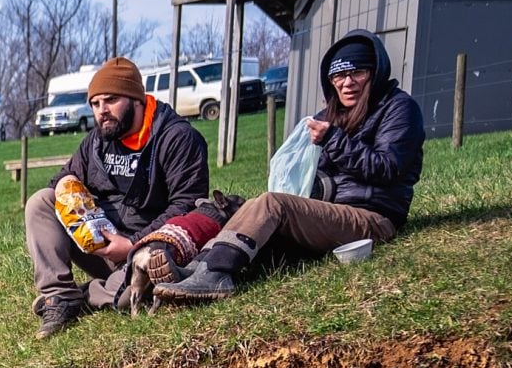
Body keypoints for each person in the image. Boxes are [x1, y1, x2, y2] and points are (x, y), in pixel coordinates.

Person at [155, 30, 424, 305]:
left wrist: (333, 140)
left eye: (357, 73)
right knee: (243, 205)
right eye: (338, 76)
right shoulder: (333, 115)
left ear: (376, 71)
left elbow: (388, 167)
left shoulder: (399, 108)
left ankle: (216, 273)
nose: (347, 83)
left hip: (372, 218)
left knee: (273, 204)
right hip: (330, 211)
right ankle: (199, 267)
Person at [22, 57, 210, 337]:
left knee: (129, 297)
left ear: (136, 99)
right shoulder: (98, 139)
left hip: (148, 251)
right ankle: (58, 296)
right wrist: (68, 184)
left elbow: (188, 205)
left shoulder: (178, 138)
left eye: (110, 100)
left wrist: (133, 243)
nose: (102, 111)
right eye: (95, 104)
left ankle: (84, 296)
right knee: (42, 201)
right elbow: (61, 179)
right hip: (100, 247)